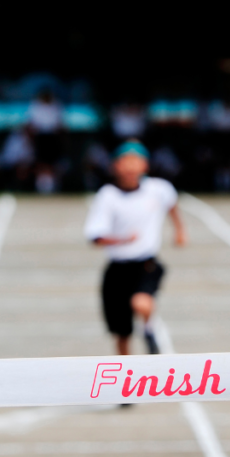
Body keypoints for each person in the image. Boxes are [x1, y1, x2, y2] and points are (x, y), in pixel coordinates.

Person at [84, 140, 186, 356]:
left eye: (135, 161)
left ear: (145, 166)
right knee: (121, 333)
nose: (130, 167)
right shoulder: (108, 196)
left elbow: (172, 204)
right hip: (117, 268)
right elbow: (95, 236)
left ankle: (149, 330)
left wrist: (179, 230)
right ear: (115, 166)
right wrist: (120, 240)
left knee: (141, 303)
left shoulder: (158, 189)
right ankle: (126, 374)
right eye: (125, 162)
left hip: (145, 263)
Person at [28, 89, 65, 193]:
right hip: (40, 137)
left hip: (52, 137)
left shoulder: (56, 105)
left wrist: (60, 140)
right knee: (40, 162)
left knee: (53, 163)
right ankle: (41, 184)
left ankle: (53, 185)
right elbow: (31, 125)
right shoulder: (35, 106)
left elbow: (60, 125)